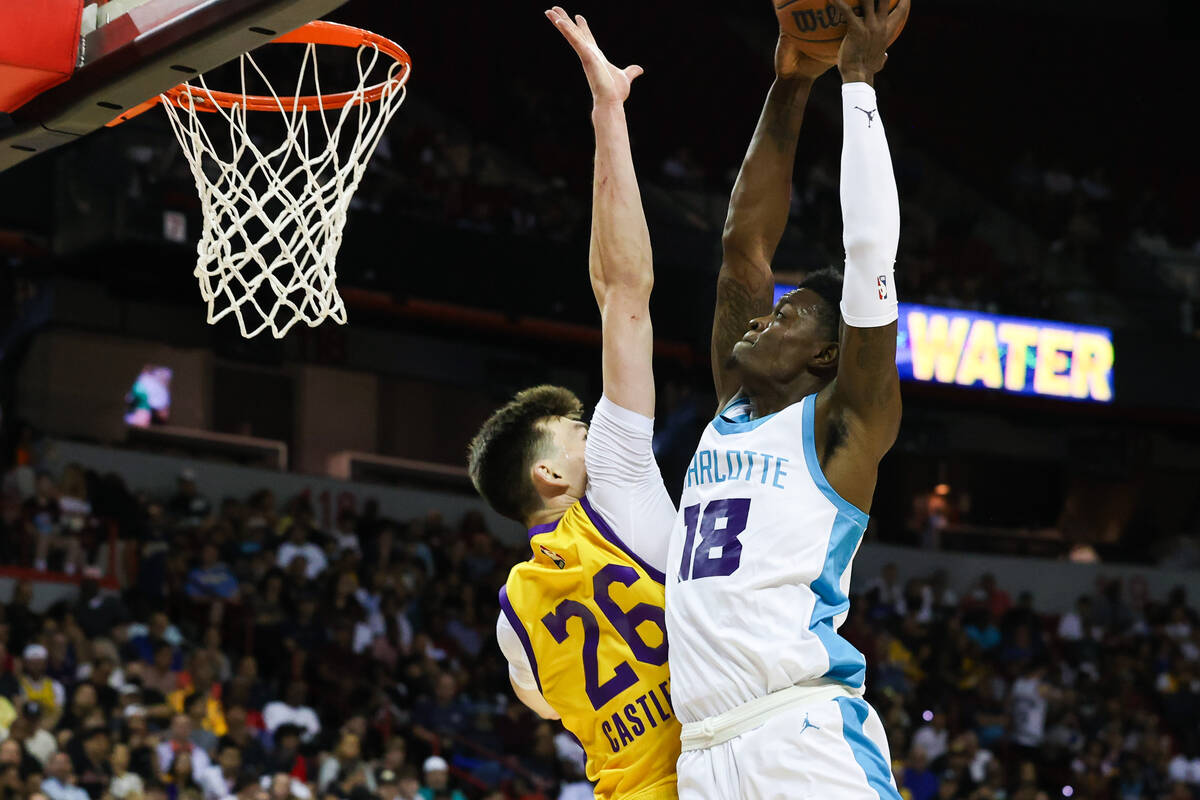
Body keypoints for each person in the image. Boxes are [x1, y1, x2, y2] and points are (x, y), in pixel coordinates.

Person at [664, 1, 909, 797]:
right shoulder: (734, 403)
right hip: (702, 750)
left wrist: (858, 84)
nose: (767, 316)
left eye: (791, 316)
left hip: (800, 738)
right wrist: (791, 80)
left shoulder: (844, 423)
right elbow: (744, 246)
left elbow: (869, 249)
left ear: (829, 356)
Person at [469, 8, 679, 799]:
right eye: (580, 430)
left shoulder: (513, 618)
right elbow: (624, 291)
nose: (601, 433)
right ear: (554, 474)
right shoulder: (617, 483)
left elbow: (545, 706)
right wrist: (607, 114)